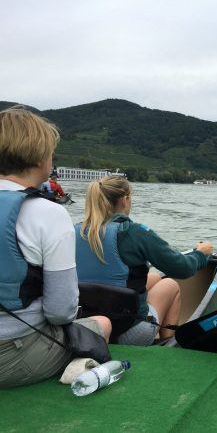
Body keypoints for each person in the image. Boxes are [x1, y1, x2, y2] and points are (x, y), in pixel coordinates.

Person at [0, 106, 111, 389]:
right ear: (39, 158)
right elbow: (60, 312)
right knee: (103, 324)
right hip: (11, 354)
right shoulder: (47, 213)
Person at [76, 175, 214, 345]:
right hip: (127, 332)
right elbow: (183, 268)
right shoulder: (134, 232)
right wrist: (201, 254)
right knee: (170, 284)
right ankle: (167, 343)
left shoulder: (75, 231)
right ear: (125, 200)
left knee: (155, 278)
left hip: (88, 326)